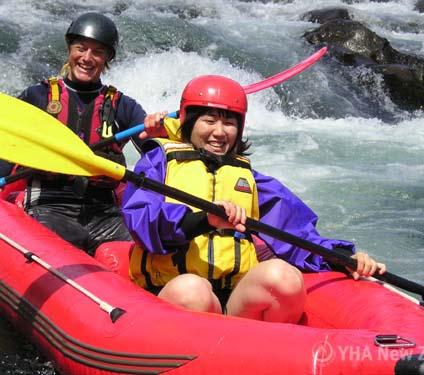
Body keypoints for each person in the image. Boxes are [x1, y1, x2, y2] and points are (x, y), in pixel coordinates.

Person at [122, 75, 386, 323]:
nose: (220, 132)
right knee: (192, 291)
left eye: (229, 122)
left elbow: (296, 233)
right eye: (209, 120)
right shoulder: (157, 163)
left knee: (284, 277)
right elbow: (142, 220)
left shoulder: (250, 179)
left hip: (233, 299)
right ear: (188, 121)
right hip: (175, 292)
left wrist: (342, 257)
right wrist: (204, 220)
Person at [4, 12, 158, 255]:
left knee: (147, 253)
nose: (87, 58)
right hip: (49, 205)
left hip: (104, 212)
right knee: (55, 251)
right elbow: (7, 148)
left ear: (107, 58)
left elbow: (156, 153)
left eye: (97, 52)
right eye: (81, 48)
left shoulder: (123, 106)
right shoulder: (38, 97)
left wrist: (159, 131)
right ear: (69, 50)